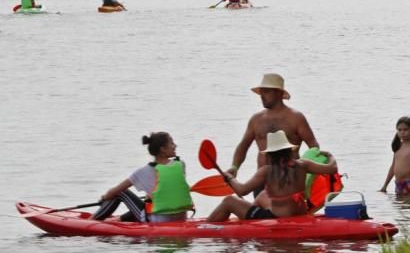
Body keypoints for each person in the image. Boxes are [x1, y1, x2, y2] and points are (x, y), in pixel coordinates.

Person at [210, 130, 338, 221]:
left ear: (270, 154)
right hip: (299, 212)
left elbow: (242, 190)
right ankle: (251, 222)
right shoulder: (303, 164)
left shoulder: (267, 171)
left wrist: (230, 178)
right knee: (262, 195)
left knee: (229, 201)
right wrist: (330, 156)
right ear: (288, 150)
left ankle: (206, 228)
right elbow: (332, 169)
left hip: (277, 217)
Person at [226, 74, 320, 193]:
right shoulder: (256, 120)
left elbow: (314, 147)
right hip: (261, 180)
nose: (262, 96)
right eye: (261, 92)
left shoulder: (296, 118)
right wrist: (235, 167)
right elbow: (243, 146)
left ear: (279, 93)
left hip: (289, 181)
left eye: (267, 92)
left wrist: (306, 173)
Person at [97, 132, 193, 223]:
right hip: (181, 217)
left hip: (158, 220)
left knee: (121, 192)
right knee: (147, 203)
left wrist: (104, 198)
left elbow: (113, 192)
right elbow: (171, 188)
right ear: (163, 149)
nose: (175, 145)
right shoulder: (181, 165)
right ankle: (119, 219)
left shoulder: (143, 172)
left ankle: (92, 221)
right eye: (172, 143)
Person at [379, 116, 410, 195]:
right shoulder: (397, 146)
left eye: (405, 129)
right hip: (398, 185)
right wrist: (385, 185)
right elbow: (393, 167)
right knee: (399, 206)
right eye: (399, 130)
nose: (402, 132)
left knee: (409, 206)